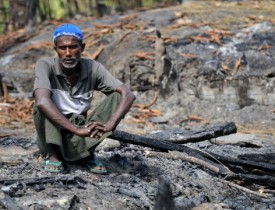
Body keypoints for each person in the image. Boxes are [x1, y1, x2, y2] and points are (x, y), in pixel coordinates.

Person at [33, 23, 136, 174]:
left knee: (118, 96)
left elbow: (128, 95)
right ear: (56, 50)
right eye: (62, 48)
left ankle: (86, 154)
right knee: (41, 104)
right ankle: (54, 155)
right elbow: (42, 101)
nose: (68, 53)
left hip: (82, 132)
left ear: (82, 48)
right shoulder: (45, 65)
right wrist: (76, 130)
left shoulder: (93, 67)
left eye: (73, 47)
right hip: (52, 135)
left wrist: (110, 125)